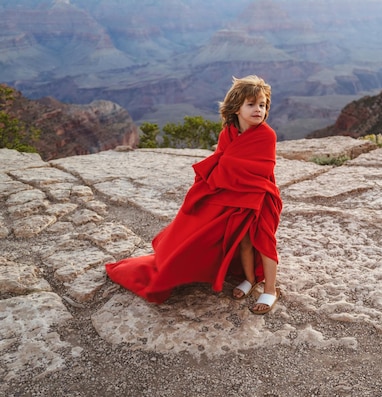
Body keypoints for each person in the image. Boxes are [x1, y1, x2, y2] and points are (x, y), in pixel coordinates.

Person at [105, 75, 283, 315]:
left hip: (259, 195)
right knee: (243, 241)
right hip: (233, 195)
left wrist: (226, 167)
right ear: (236, 108)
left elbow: (261, 169)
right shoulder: (228, 134)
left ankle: (270, 289)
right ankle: (250, 280)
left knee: (263, 241)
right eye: (251, 104)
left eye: (262, 105)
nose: (258, 110)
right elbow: (223, 164)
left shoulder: (266, 135)